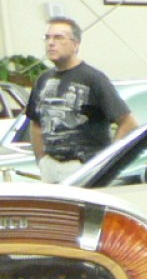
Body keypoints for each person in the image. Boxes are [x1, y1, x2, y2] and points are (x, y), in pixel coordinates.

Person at [25, 18, 135, 183]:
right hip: (50, 166)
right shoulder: (43, 79)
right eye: (47, 38)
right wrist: (42, 160)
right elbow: (36, 123)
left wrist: (106, 162)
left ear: (75, 44)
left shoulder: (93, 79)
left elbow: (128, 122)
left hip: (83, 166)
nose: (51, 43)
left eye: (58, 38)